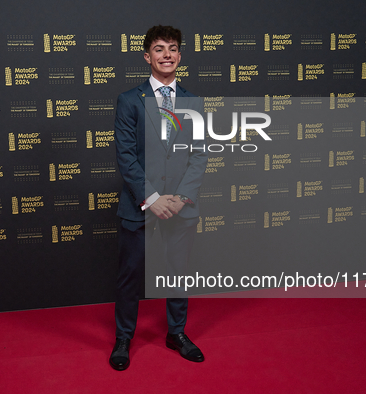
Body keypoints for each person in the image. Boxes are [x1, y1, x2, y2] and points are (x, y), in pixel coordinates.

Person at [110, 25, 208, 371]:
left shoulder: (193, 102)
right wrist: (153, 197)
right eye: (159, 48)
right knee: (130, 274)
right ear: (147, 56)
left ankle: (176, 333)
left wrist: (181, 197)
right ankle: (124, 337)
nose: (167, 54)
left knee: (177, 273)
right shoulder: (128, 100)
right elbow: (126, 156)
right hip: (142, 204)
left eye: (173, 49)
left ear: (180, 56)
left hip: (180, 207)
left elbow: (199, 154)